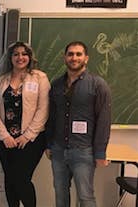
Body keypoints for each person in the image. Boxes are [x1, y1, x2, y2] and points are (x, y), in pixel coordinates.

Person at [45, 41, 111, 207]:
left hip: (83, 151)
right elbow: (51, 116)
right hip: (58, 150)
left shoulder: (98, 85)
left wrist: (100, 152)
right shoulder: (56, 85)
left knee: (85, 197)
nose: (74, 58)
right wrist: (49, 144)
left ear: (86, 58)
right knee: (60, 195)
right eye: (70, 54)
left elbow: (104, 120)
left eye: (78, 54)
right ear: (65, 58)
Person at [0, 41, 50, 207]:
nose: (20, 57)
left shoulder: (40, 78)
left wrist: (27, 135)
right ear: (10, 57)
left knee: (21, 179)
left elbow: (43, 109)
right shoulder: (1, 80)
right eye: (16, 54)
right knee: (9, 179)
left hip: (31, 140)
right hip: (5, 140)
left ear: (29, 57)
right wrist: (4, 136)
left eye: (24, 54)